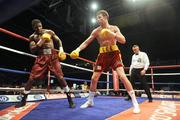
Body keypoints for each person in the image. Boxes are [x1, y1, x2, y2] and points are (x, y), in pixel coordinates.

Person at [70, 10, 140, 113]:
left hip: (114, 53)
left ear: (106, 17)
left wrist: (112, 34)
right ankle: (90, 101)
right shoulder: (96, 31)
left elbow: (123, 40)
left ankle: (135, 103)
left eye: (100, 17)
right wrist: (77, 50)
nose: (98, 19)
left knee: (122, 76)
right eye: (97, 18)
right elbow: (86, 42)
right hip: (102, 55)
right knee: (94, 78)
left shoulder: (114, 28)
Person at [15, 19, 75, 108]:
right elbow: (32, 50)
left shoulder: (49, 32)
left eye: (40, 26)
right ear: (33, 28)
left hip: (53, 57)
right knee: (31, 79)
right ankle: (24, 100)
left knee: (60, 77)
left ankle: (70, 99)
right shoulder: (32, 37)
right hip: (41, 57)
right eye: (36, 27)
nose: (39, 28)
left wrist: (61, 48)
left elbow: (58, 40)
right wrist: (41, 41)